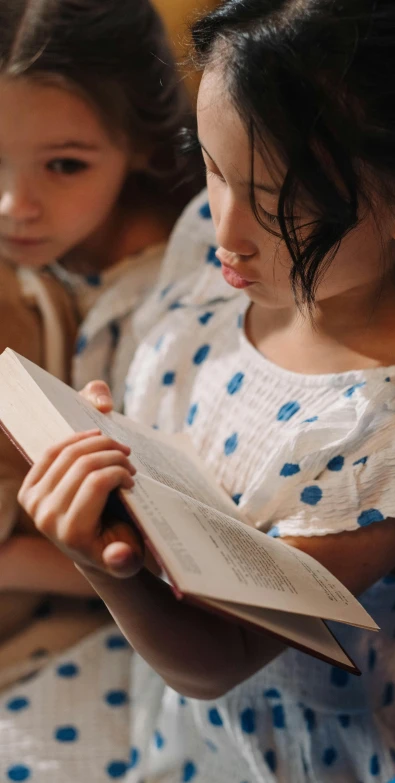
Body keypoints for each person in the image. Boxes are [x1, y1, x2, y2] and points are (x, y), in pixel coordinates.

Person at [10, 0, 395, 781]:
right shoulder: (222, 261)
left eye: (283, 203)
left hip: (272, 748)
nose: (224, 230)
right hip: (155, 692)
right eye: (214, 168)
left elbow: (223, 658)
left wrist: (100, 560)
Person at [0, 0, 201, 636]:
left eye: (65, 164)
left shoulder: (166, 312)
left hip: (115, 619)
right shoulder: (48, 247)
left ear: (140, 145)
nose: (14, 204)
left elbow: (174, 564)